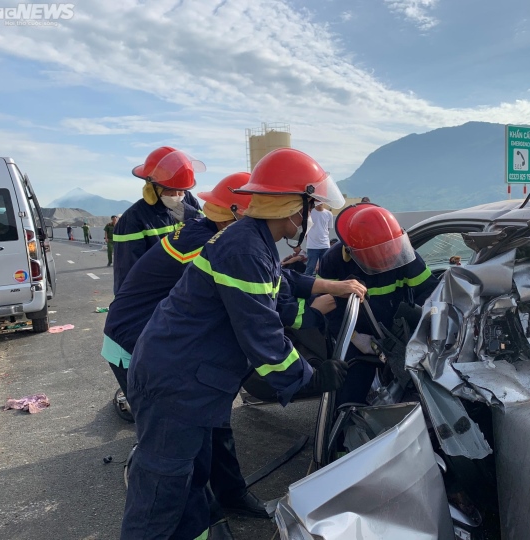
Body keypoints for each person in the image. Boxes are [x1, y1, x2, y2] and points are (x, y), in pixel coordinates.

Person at [121, 148, 365, 540]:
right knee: (161, 492)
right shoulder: (244, 248)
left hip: (192, 381)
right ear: (290, 207)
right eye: (308, 206)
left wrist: (330, 290)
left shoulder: (253, 242)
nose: (310, 215)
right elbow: (262, 333)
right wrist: (310, 377)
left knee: (192, 481)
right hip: (176, 384)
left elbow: (280, 287)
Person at [104, 173, 260, 540]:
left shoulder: (199, 219)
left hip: (166, 338)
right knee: (169, 455)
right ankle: (197, 516)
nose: (177, 196)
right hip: (142, 342)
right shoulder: (200, 237)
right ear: (236, 213)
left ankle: (220, 506)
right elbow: (129, 277)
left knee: (208, 431)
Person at [317, 202, 439, 406]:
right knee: (349, 391)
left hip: (398, 333)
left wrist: (413, 325)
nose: (384, 258)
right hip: (356, 336)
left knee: (418, 394)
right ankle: (344, 432)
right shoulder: (334, 261)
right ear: (352, 251)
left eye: (388, 250)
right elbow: (324, 305)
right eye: (376, 254)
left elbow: (430, 290)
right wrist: (354, 337)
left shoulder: (402, 253)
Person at [112, 146, 204, 294]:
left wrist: (192, 215)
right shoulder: (133, 220)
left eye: (181, 190)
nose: (177, 195)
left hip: (187, 292)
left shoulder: (189, 202)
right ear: (152, 186)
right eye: (169, 190)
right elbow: (128, 274)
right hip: (156, 296)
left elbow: (206, 236)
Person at [304, 202, 333, 275]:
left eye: (321, 201)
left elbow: (328, 228)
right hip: (312, 246)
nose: (320, 203)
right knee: (310, 267)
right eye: (318, 201)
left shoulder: (329, 214)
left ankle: (322, 284)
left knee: (324, 268)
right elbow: (305, 227)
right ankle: (306, 285)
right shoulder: (310, 213)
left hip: (325, 245)